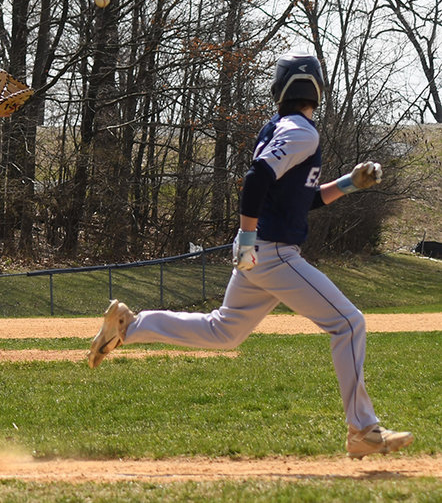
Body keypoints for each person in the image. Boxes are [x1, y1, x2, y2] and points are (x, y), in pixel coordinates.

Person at [87, 52, 413, 460]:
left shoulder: (280, 128)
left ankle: (129, 327)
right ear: (318, 90)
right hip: (272, 253)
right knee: (348, 323)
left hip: (261, 251)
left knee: (224, 331)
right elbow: (256, 177)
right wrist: (246, 235)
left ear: (279, 90)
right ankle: (363, 430)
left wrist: (348, 183)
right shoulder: (303, 133)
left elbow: (300, 200)